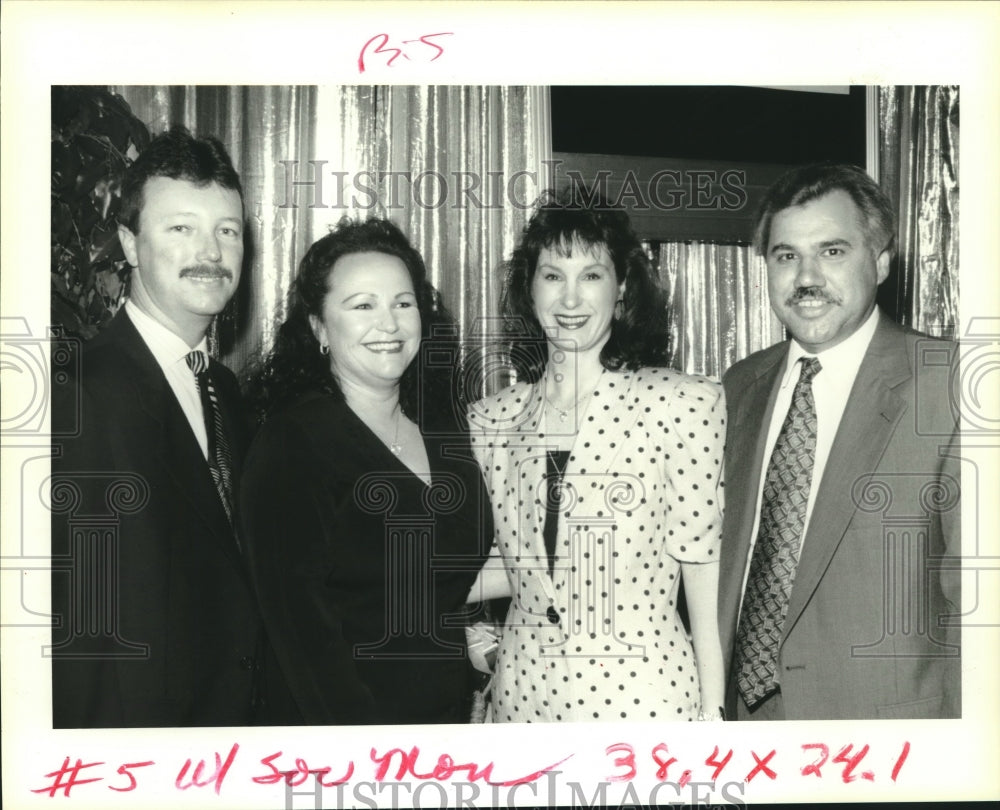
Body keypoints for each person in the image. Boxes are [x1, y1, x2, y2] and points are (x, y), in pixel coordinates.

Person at [467, 192, 726, 722]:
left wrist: (715, 712)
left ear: (623, 287)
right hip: (521, 704)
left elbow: (703, 572)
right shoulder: (490, 419)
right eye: (552, 275)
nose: (570, 298)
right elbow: (516, 566)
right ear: (529, 287)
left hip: (644, 701)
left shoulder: (682, 403)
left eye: (591, 275)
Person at [719, 163, 961, 721]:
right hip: (743, 732)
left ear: (880, 261)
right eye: (786, 256)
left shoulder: (949, 384)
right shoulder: (740, 386)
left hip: (888, 742)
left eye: (831, 252)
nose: (805, 277)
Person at [50, 126, 262, 727]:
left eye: (228, 230)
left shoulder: (223, 389)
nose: (211, 252)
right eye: (181, 228)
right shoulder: (78, 393)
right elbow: (75, 637)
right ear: (129, 242)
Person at [240, 217, 491, 725]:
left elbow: (445, 576)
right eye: (362, 306)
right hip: (347, 747)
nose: (390, 324)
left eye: (403, 302)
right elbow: (302, 640)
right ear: (318, 328)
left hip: (445, 732)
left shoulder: (442, 429)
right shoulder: (293, 444)